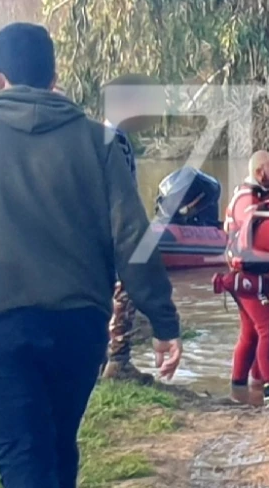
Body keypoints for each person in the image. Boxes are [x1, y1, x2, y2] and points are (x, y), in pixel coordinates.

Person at [0, 23, 184, 488]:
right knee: (58, 444)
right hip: (77, 326)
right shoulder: (98, 142)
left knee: (23, 455)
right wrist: (164, 322)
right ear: (54, 75)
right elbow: (131, 237)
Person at [218, 158, 269, 406]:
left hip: (243, 276)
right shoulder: (250, 202)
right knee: (268, 328)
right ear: (259, 171)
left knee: (251, 332)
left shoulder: (247, 197)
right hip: (248, 277)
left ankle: (242, 388)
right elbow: (251, 242)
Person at [100, 74, 155, 384]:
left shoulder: (99, 135)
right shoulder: (115, 139)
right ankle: (118, 362)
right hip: (117, 228)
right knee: (125, 291)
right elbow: (121, 190)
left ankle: (102, 361)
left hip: (103, 228)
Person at [224, 150, 269, 235]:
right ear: (259, 172)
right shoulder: (245, 199)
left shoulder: (263, 194)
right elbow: (250, 229)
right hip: (242, 248)